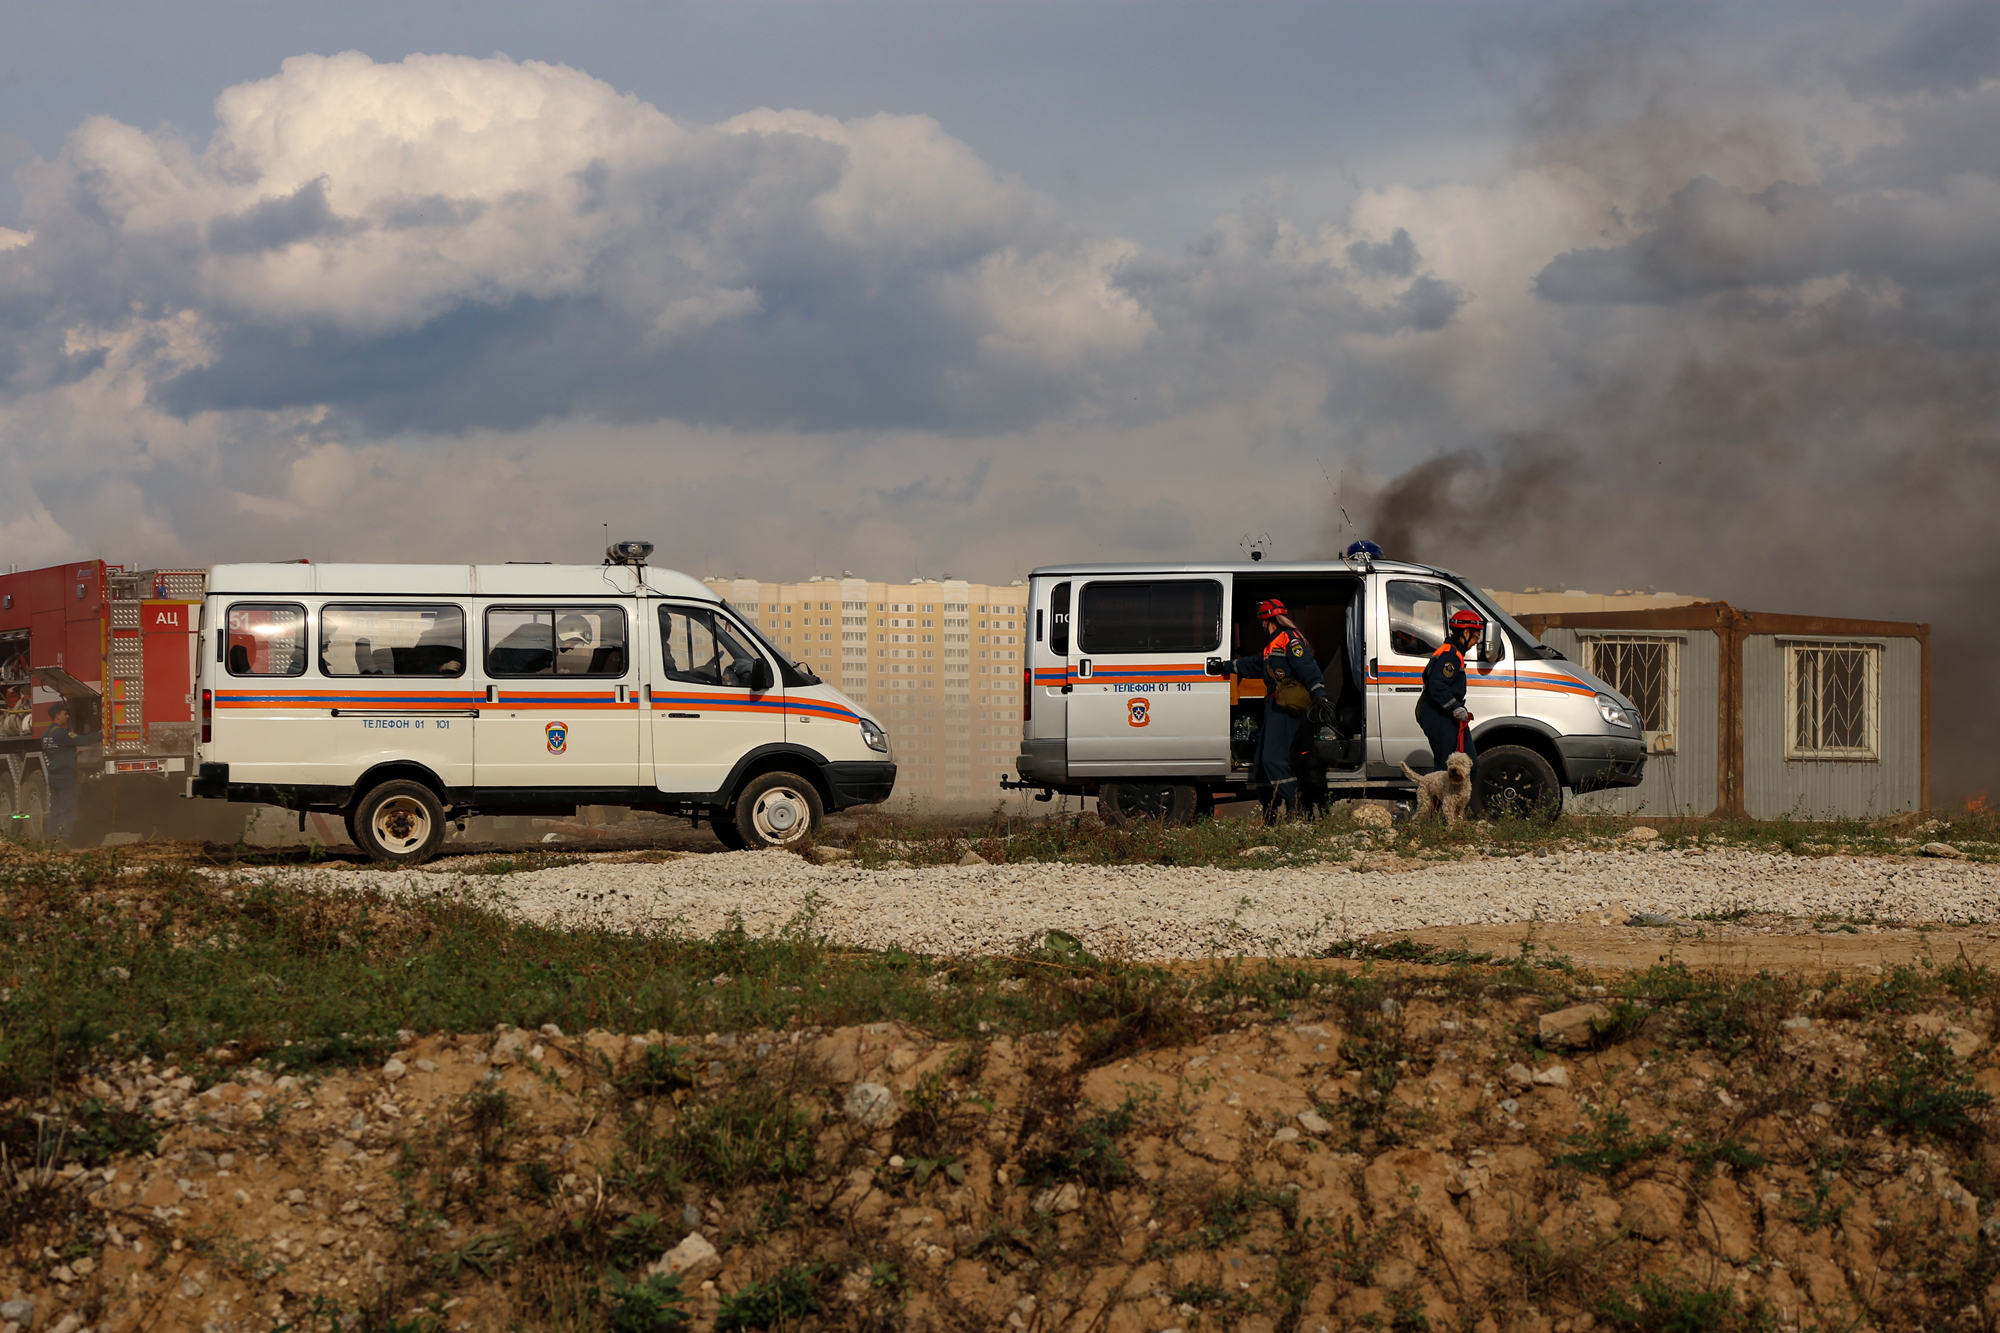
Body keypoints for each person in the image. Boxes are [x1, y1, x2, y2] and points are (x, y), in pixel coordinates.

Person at [1208, 599, 1329, 820]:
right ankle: (1270, 810)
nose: (1261, 625)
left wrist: (1320, 694)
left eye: (1262, 621)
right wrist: (1225, 666)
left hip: (1285, 706)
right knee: (1262, 764)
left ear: (1267, 621)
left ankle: (1297, 804)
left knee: (1273, 759)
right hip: (1273, 705)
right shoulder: (1271, 645)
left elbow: (1308, 667)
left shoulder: (1289, 640)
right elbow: (1254, 663)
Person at [1418, 608, 1484, 786]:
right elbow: (1437, 685)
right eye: (1476, 637)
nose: (1477, 641)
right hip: (1440, 715)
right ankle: (1438, 812)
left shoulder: (1449, 652)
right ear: (1466, 633)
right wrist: (1455, 706)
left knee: (1471, 766)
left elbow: (1427, 676)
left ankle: (1455, 810)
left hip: (1447, 714)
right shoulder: (1451, 655)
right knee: (1443, 773)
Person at [41, 701, 82, 846]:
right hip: (66, 778)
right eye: (65, 713)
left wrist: (72, 752)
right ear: (57, 716)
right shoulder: (62, 734)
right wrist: (102, 734)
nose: (68, 716)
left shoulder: (46, 735)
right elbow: (84, 740)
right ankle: (62, 839)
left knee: (55, 810)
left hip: (54, 777)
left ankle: (51, 838)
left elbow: (58, 751)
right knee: (68, 810)